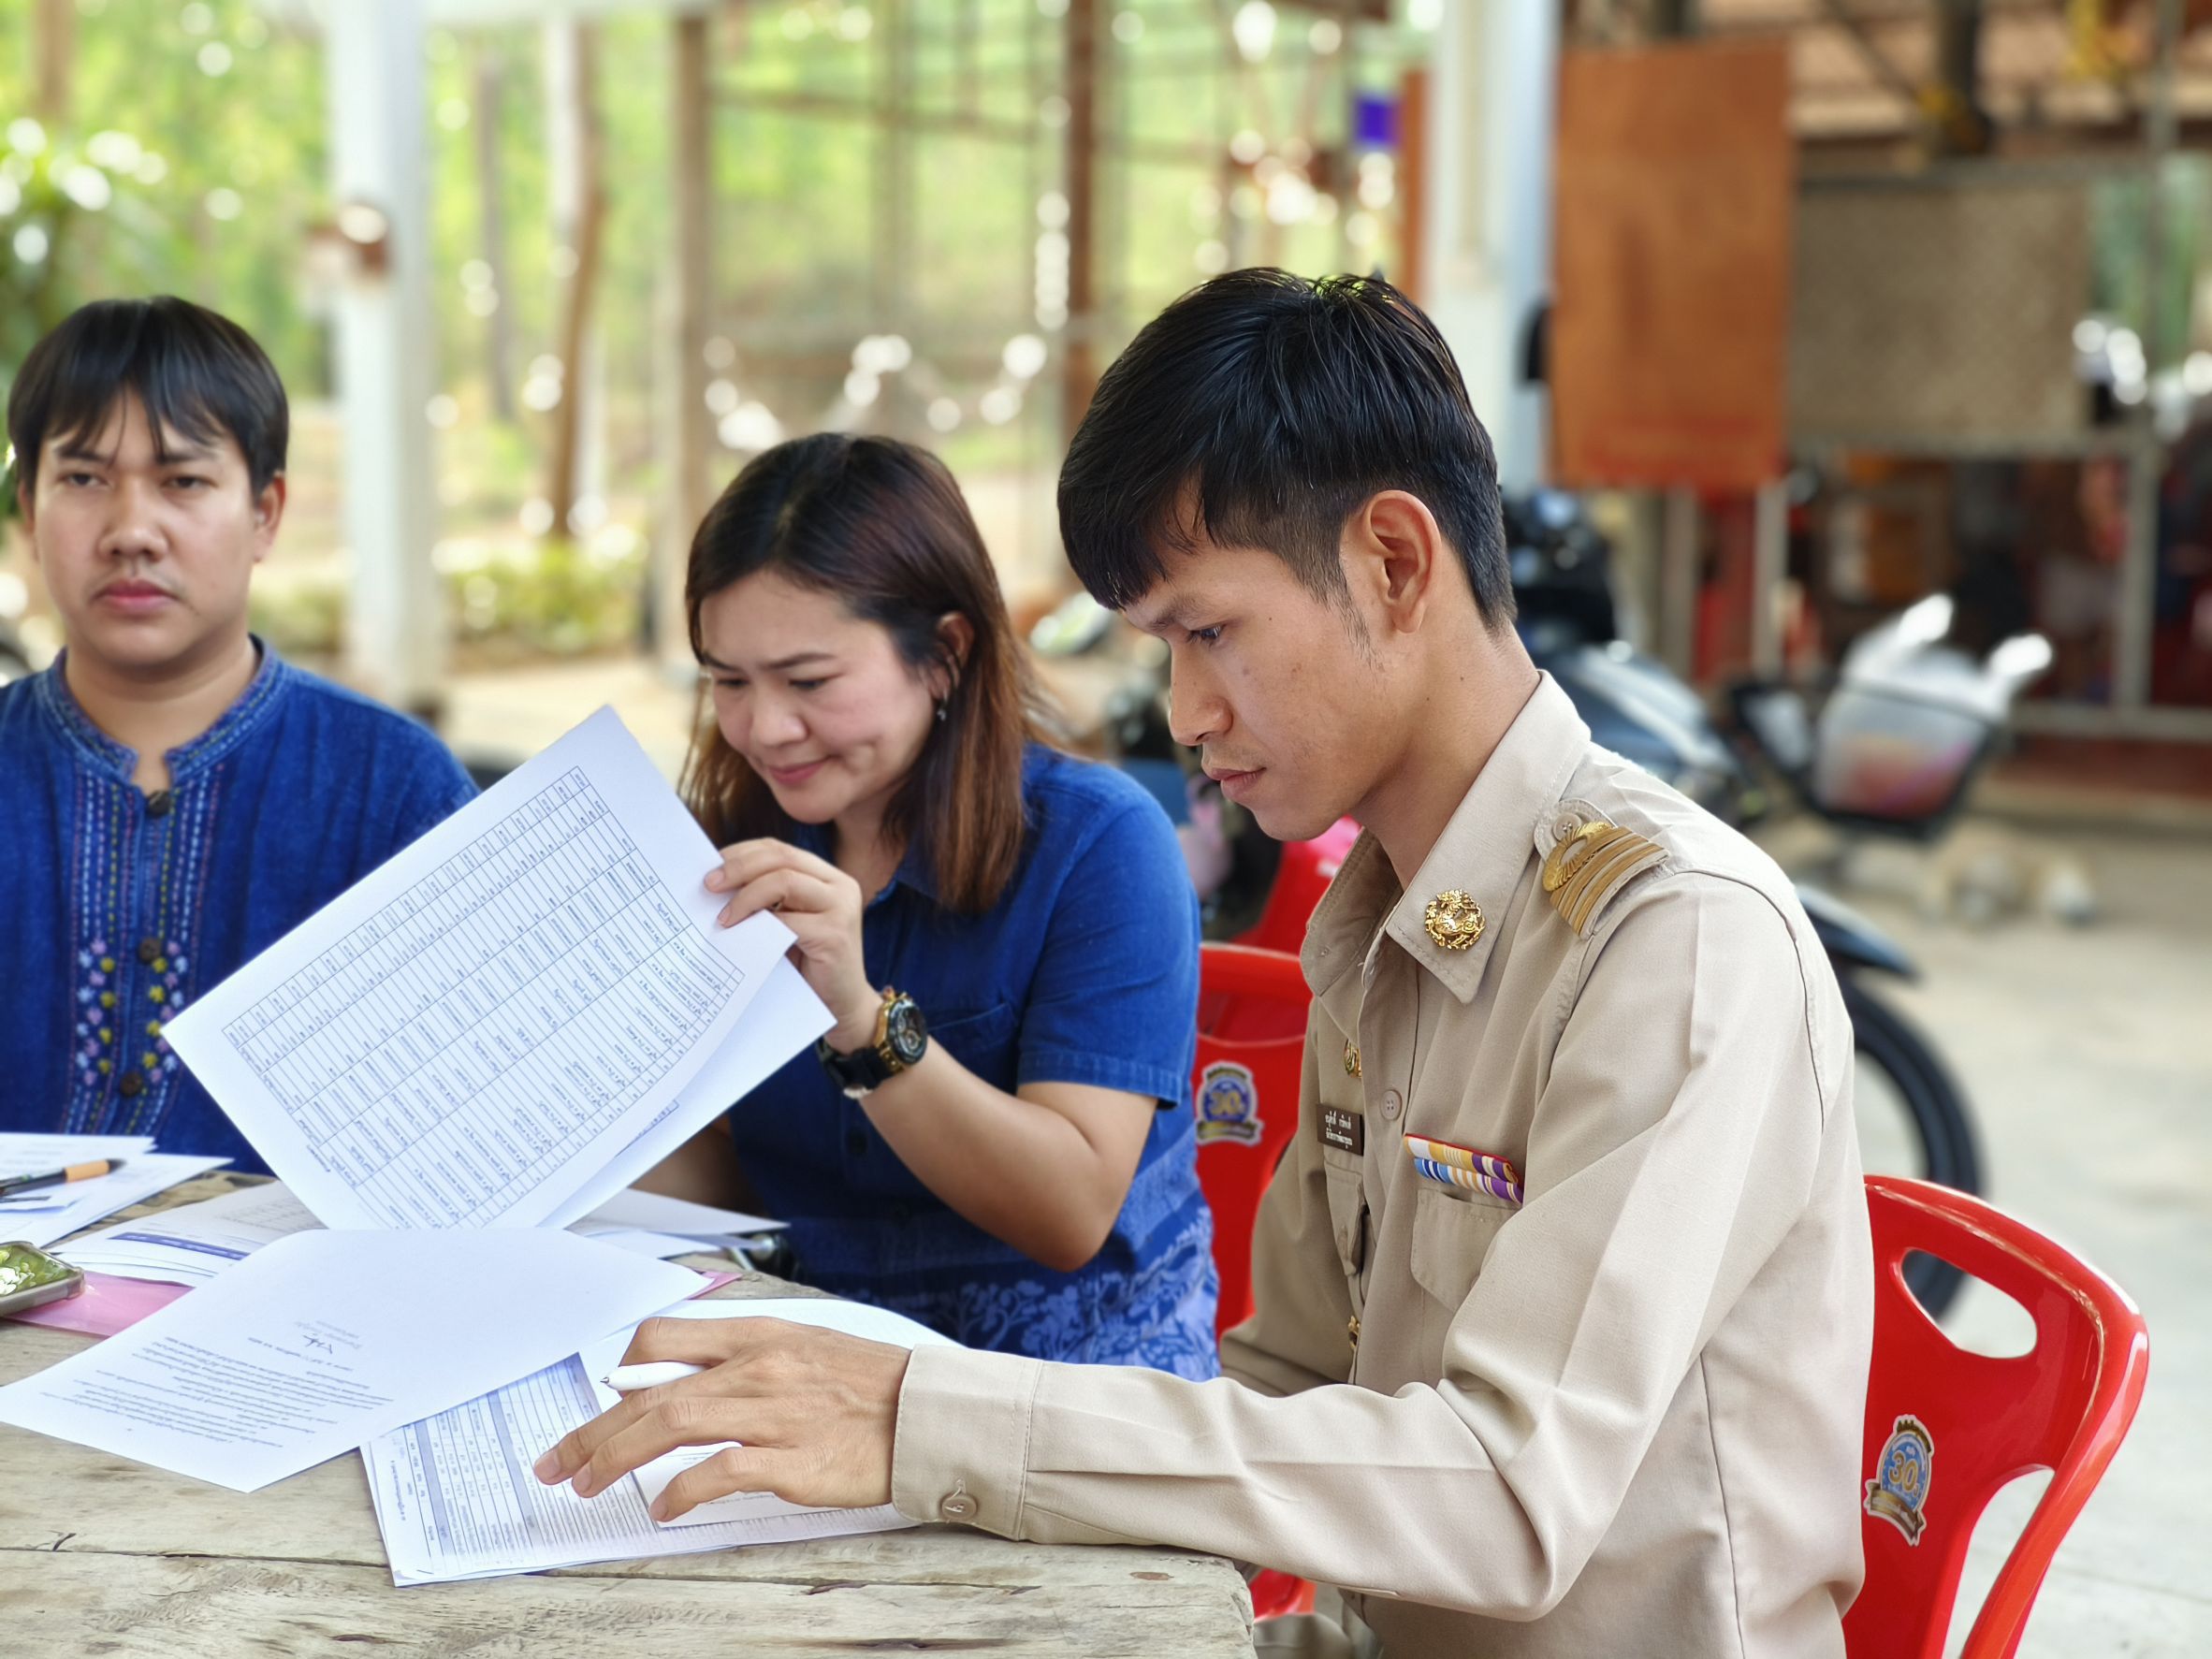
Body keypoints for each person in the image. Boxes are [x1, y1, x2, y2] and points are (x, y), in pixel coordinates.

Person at [538, 272, 1872, 1658]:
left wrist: (919, 1417)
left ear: (1394, 564)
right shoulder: (1384, 923)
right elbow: (1283, 1380)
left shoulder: (1672, 939)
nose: (1185, 712)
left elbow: (1509, 1496)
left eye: (1208, 632)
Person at [639, 432, 1215, 1375]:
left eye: (809, 682)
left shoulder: (1101, 845)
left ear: (944, 655)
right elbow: (739, 1174)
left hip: (1067, 1389)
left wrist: (857, 1017)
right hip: (812, 1368)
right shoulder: (725, 848)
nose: (764, 729)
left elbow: (1069, 1214)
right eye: (727, 682)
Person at [0, 298, 476, 1171]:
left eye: (183, 480)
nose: (132, 531)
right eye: (83, 478)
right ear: (28, 507)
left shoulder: (396, 788)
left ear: (265, 512)